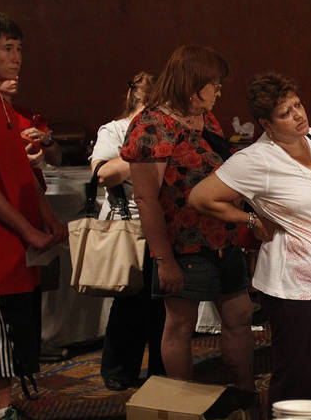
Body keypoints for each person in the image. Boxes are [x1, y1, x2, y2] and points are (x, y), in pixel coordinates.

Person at [189, 72, 311, 407]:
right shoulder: (255, 160)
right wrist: (251, 218)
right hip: (294, 286)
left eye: (298, 105)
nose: (298, 115)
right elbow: (200, 197)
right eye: (285, 113)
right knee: (296, 376)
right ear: (265, 123)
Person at [120, 45, 254, 393]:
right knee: (181, 324)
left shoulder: (205, 118)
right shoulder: (151, 126)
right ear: (193, 86)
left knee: (240, 315)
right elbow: (146, 199)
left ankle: (243, 392)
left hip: (222, 236)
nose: (220, 92)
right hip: (183, 244)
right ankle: (184, 405)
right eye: (215, 84)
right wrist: (164, 261)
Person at [0, 12, 65, 420]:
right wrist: (27, 230)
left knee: (13, 345)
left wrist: (46, 217)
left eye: (20, 48)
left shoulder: (2, 105)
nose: (17, 57)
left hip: (14, 251)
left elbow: (22, 175)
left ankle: (2, 419)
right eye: (7, 48)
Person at [91, 72, 166, 390]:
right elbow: (102, 174)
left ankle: (162, 372)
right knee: (129, 301)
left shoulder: (166, 130)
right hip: (128, 226)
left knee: (164, 302)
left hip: (161, 224)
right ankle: (118, 370)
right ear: (144, 102)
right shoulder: (116, 130)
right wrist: (142, 150)